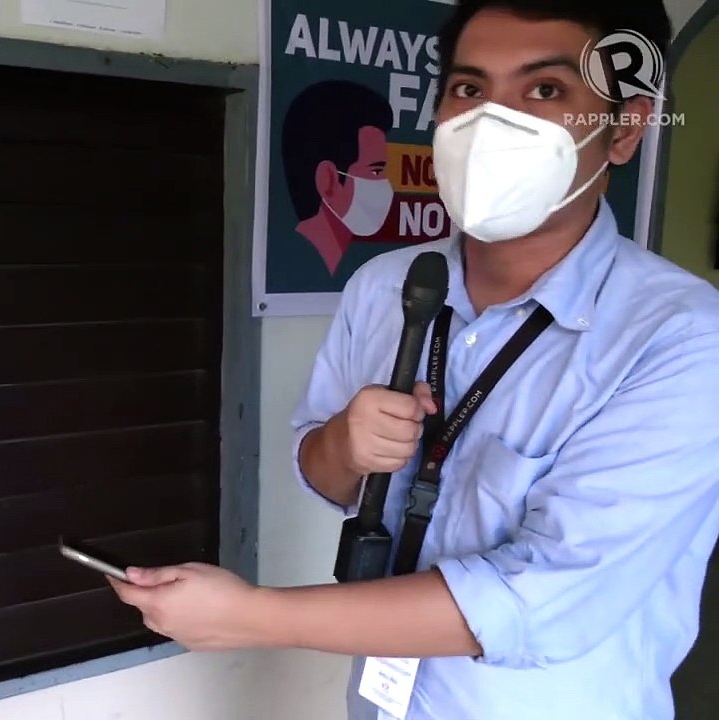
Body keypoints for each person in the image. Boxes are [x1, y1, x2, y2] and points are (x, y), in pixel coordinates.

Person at [108, 1, 719, 718]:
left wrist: (252, 616)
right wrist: (343, 443)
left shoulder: (681, 340)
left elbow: (543, 597)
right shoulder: (387, 285)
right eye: (468, 90)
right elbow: (320, 470)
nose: (494, 123)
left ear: (625, 130)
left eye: (545, 91)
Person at [273, 80, 395, 282]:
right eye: (375, 171)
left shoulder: (339, 269)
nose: (387, 185)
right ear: (328, 180)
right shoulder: (297, 268)